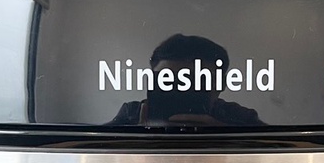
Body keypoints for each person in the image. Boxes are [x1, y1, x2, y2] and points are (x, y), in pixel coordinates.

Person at [107, 33, 264, 127]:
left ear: (221, 84)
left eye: (197, 81)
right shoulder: (132, 113)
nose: (182, 89)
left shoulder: (239, 117)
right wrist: (137, 139)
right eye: (167, 80)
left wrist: (225, 138)